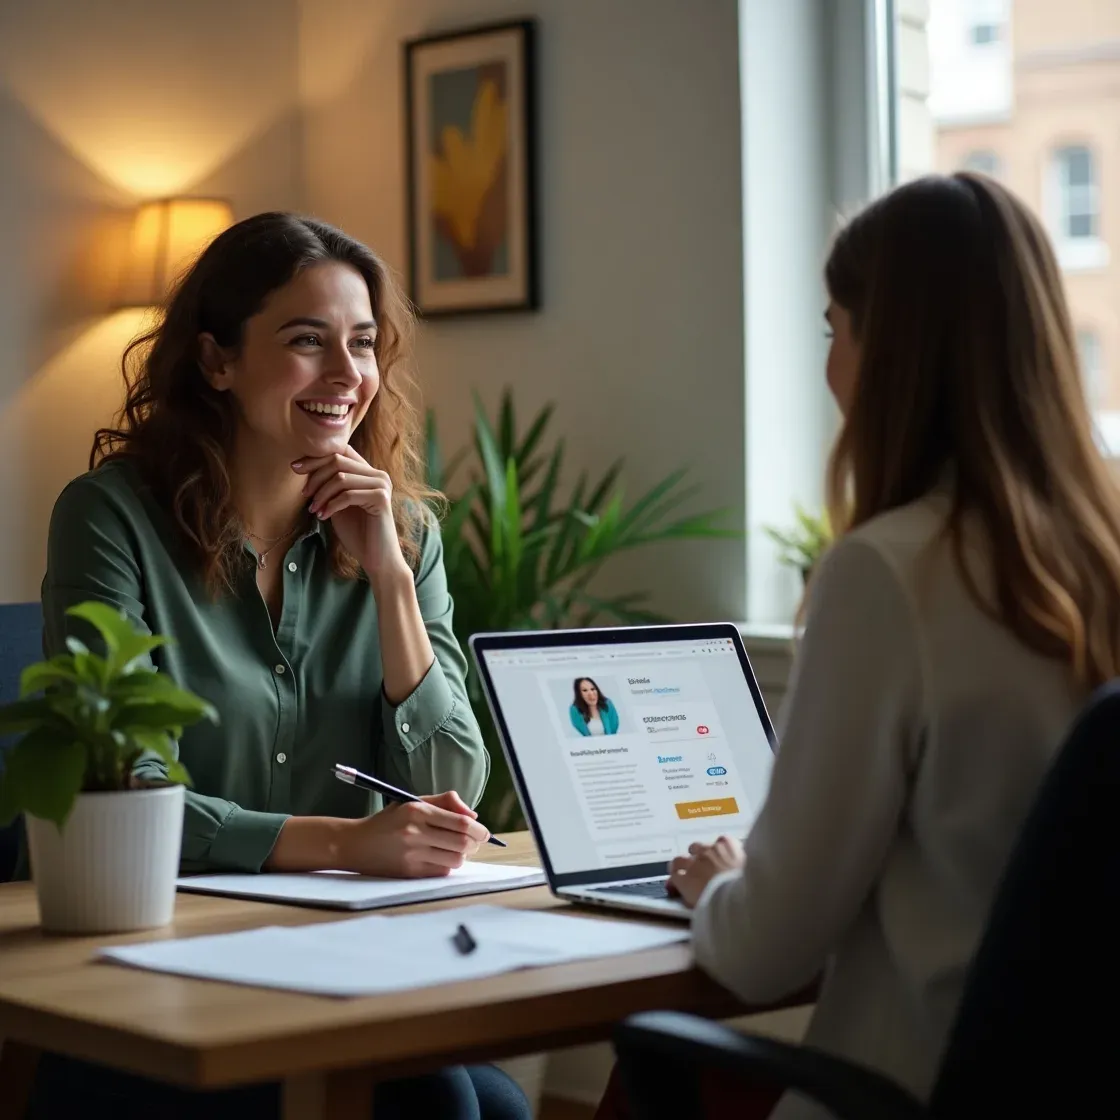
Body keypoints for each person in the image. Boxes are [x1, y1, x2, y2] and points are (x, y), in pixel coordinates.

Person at [596, 171, 1120, 1120]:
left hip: (904, 1095)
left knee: (639, 1083)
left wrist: (722, 885)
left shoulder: (891, 574)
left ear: (894, 355)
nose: (831, 366)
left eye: (835, 329)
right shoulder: (1104, 555)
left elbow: (764, 951)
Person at [30, 213, 530, 1120]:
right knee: (448, 1106)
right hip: (168, 962)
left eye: (365, 344)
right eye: (308, 342)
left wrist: (389, 578)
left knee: (483, 1103)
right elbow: (121, 787)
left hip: (345, 959)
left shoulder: (406, 537)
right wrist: (343, 842)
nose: (348, 377)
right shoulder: (109, 520)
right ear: (217, 362)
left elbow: (454, 777)